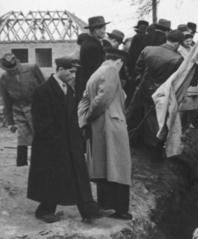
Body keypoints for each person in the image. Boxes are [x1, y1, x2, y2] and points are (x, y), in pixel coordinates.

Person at [27, 57, 102, 224]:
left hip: (70, 141)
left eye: (75, 72)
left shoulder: (67, 89)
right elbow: (40, 122)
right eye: (70, 71)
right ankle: (45, 210)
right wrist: (56, 140)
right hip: (51, 144)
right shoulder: (43, 91)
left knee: (78, 174)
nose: (73, 75)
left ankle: (88, 209)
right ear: (60, 69)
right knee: (53, 176)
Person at [78, 48, 133, 220]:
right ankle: (121, 209)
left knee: (103, 166)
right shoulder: (111, 71)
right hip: (111, 124)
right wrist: (91, 115)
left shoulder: (95, 73)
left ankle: (105, 204)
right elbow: (103, 98)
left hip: (98, 127)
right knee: (120, 166)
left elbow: (84, 100)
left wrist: (84, 120)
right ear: (119, 61)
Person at [128, 29, 185, 150]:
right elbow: (174, 80)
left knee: (135, 113)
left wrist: (141, 83)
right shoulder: (178, 59)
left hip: (143, 87)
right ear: (178, 43)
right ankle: (152, 148)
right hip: (160, 92)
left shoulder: (148, 49)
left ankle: (131, 141)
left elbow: (137, 70)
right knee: (155, 119)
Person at [1, 53, 45, 166]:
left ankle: (42, 161)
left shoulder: (32, 68)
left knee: (40, 135)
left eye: (13, 68)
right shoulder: (4, 78)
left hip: (37, 107)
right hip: (19, 109)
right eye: (9, 69)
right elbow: (7, 101)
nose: (12, 71)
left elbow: (45, 88)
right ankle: (21, 164)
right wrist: (10, 122)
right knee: (22, 137)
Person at [75, 15, 109, 101]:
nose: (103, 31)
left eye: (104, 28)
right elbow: (96, 70)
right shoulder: (92, 46)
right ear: (93, 30)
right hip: (91, 88)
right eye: (100, 29)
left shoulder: (91, 42)